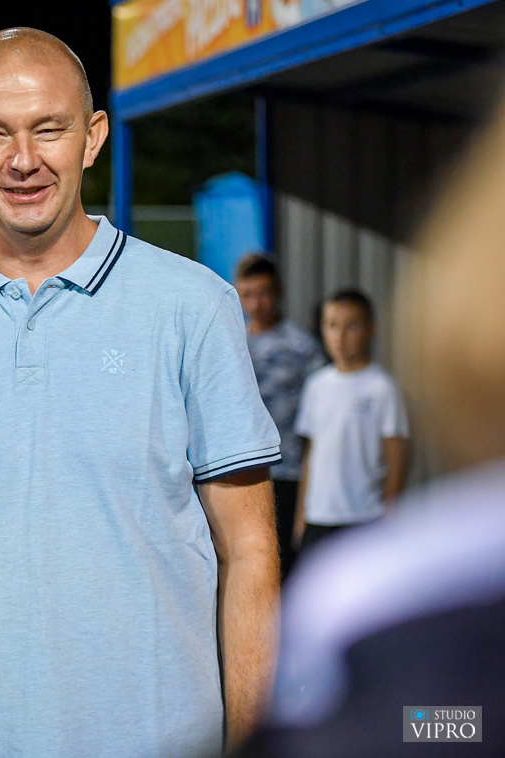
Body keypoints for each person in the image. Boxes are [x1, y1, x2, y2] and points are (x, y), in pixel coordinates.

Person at [0, 28, 280, 757]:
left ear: (93, 137)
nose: (23, 159)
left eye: (49, 129)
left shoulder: (193, 306)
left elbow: (249, 552)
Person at [238, 90, 505, 758]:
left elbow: (424, 724)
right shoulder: (379, 596)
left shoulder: (385, 601)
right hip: (296, 494)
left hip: (351, 513)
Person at [293, 289, 409, 554]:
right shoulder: (316, 385)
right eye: (332, 325)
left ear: (371, 329)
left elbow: (396, 457)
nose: (340, 336)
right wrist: (301, 515)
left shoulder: (382, 388)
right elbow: (311, 454)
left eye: (352, 326)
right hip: (319, 517)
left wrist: (389, 517)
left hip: (364, 517)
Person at [235, 253, 326, 578]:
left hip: (289, 471)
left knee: (286, 565)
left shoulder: (302, 346)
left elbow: (322, 412)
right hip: (242, 471)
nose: (256, 304)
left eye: (264, 293)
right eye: (248, 294)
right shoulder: (232, 340)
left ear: (279, 292)